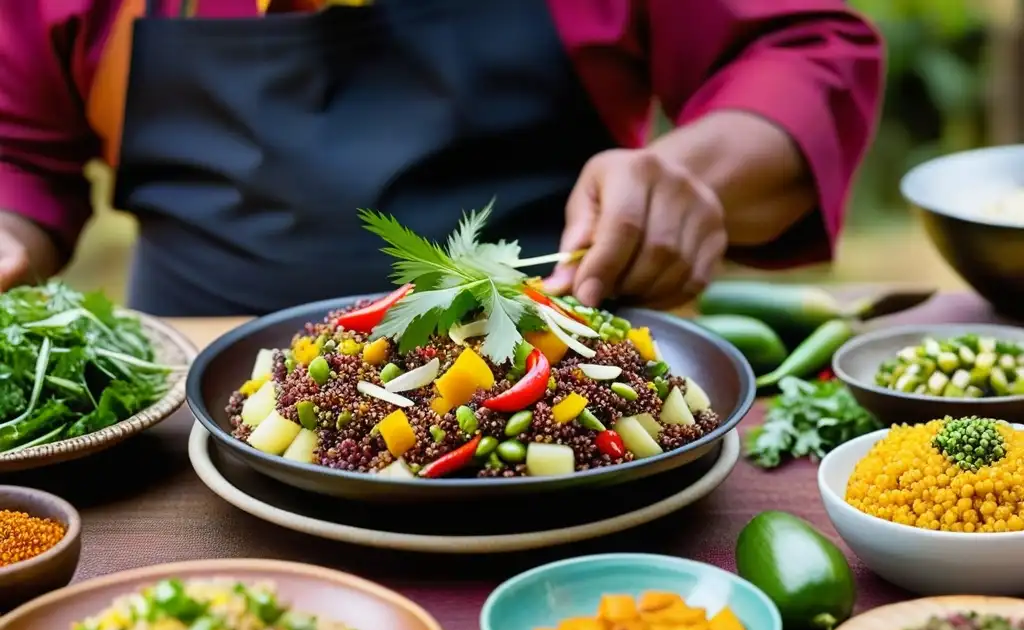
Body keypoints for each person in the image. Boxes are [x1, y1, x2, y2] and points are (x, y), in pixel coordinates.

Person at [0, 0, 883, 316]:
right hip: (193, 399)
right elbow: (19, 157)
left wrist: (692, 175)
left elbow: (806, 50)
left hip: (558, 369)